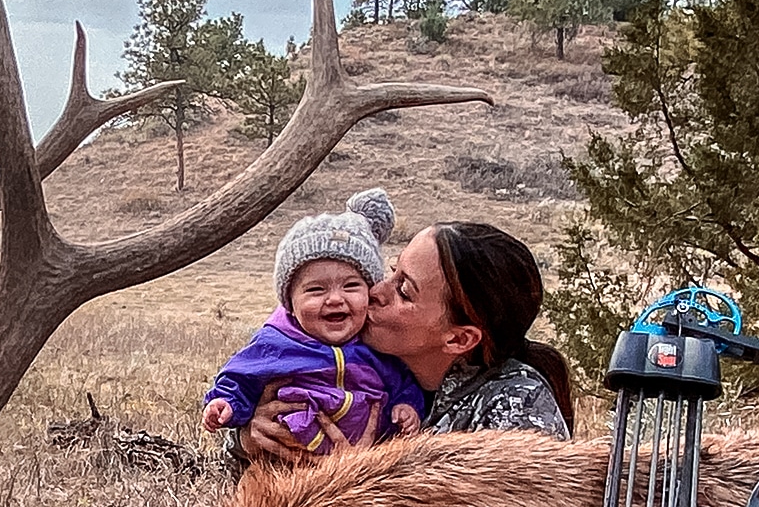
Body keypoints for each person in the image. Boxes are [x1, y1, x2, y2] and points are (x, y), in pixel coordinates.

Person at [238, 218, 576, 465]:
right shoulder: (347, 348)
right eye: (392, 271)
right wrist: (248, 436)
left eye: (403, 290)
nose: (375, 291)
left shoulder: (514, 414)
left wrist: (361, 476)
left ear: (458, 338)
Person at [202, 190, 425, 455]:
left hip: (371, 465)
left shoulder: (378, 346)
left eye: (351, 286)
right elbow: (239, 377)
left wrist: (408, 405)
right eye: (316, 290)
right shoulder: (276, 342)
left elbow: (404, 382)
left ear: (370, 292)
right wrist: (226, 404)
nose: (334, 299)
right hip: (291, 461)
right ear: (290, 305)